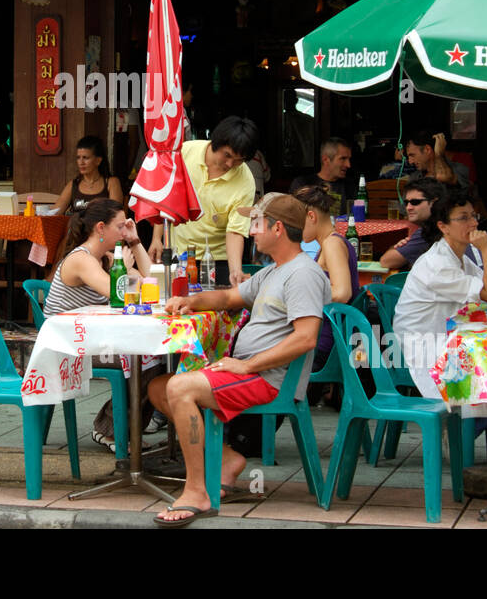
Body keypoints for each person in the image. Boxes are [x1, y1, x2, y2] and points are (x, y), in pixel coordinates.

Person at [146, 193, 324, 527]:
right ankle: (227, 462)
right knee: (160, 387)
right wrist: (191, 300)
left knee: (181, 388)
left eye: (256, 224)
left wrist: (246, 365)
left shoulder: (303, 274)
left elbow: (306, 337)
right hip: (251, 371)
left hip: (269, 379)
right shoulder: (274, 271)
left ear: (278, 229)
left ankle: (197, 491)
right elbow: (230, 297)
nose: (251, 231)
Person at [44, 198, 158, 449]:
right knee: (146, 358)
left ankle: (119, 428)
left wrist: (136, 242)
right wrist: (124, 268)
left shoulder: (106, 258)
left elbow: (151, 283)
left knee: (155, 356)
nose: (124, 231)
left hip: (93, 339)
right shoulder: (81, 259)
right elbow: (116, 294)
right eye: (120, 226)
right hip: (67, 345)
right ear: (100, 228)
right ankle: (110, 430)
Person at [392, 192, 487, 401]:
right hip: (421, 345)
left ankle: (464, 431)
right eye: (463, 218)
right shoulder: (437, 264)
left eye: (473, 216)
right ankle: (457, 432)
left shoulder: (458, 257)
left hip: (446, 339)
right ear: (443, 226)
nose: (473, 223)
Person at [150, 116, 258, 288]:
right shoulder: (184, 153)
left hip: (218, 261)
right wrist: (157, 238)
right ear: (216, 143)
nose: (230, 164)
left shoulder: (245, 181)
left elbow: (235, 231)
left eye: (238, 160)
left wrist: (235, 271)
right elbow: (165, 200)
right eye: (227, 155)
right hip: (179, 255)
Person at [293, 186, 358, 395]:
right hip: (324, 335)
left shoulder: (332, 243)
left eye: (296, 222)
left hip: (326, 342)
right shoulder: (327, 244)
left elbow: (342, 292)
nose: (294, 229)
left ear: (311, 216)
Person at [379, 177, 447, 270]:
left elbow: (386, 261)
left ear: (434, 202)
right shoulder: (446, 222)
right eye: (406, 203)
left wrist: (394, 248)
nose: (408, 207)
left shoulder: (431, 229)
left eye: (415, 202)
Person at [51, 136, 124, 215]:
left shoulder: (111, 182)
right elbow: (55, 212)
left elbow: (116, 215)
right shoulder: (73, 185)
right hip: (76, 226)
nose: (81, 162)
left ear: (98, 161)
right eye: (78, 158)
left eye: (85, 158)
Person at [289, 137, 353, 215]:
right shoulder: (301, 183)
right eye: (343, 158)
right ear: (326, 160)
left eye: (349, 159)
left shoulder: (350, 186)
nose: (348, 165)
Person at [403, 131, 471, 192]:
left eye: (412, 155)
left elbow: (444, 177)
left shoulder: (459, 169)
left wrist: (439, 154)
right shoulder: (414, 177)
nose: (410, 162)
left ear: (427, 149)